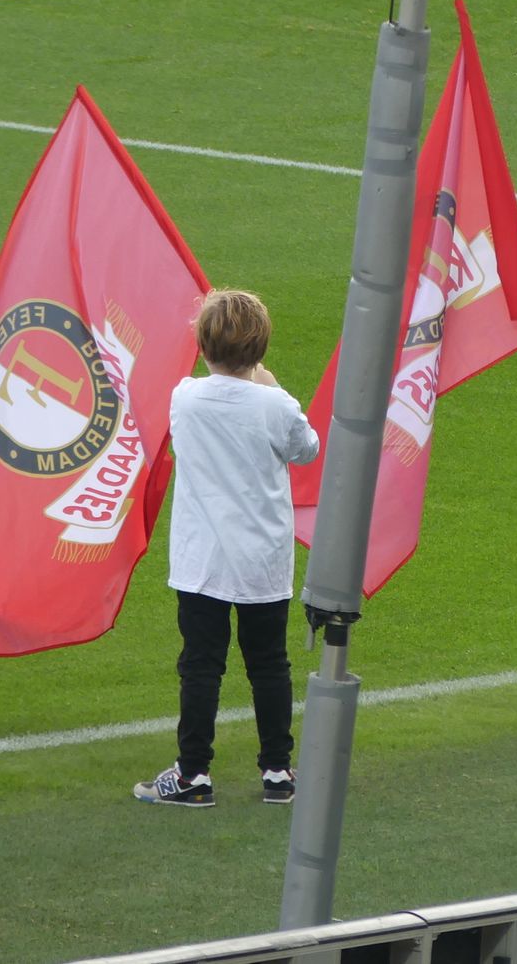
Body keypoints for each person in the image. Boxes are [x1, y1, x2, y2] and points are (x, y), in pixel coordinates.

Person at [134, 289, 321, 807]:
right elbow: (307, 449)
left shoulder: (185, 398)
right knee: (269, 665)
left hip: (203, 563)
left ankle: (193, 775)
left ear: (203, 345)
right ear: (260, 348)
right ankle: (278, 772)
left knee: (200, 666)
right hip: (263, 560)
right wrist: (271, 384)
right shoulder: (275, 404)